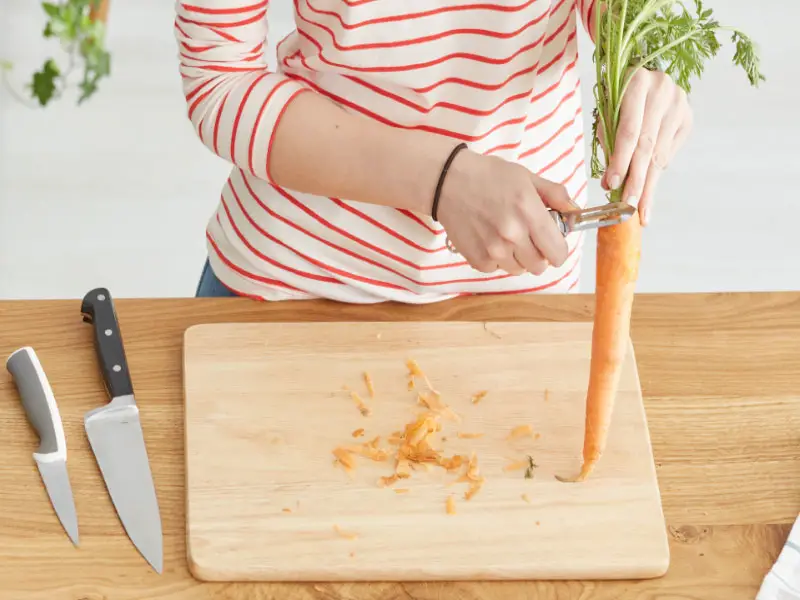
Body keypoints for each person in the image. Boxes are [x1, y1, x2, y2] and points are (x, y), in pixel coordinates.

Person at [175, 0, 692, 303]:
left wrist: (641, 54)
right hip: (297, 282)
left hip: (524, 270)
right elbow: (220, 81)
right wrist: (443, 181)